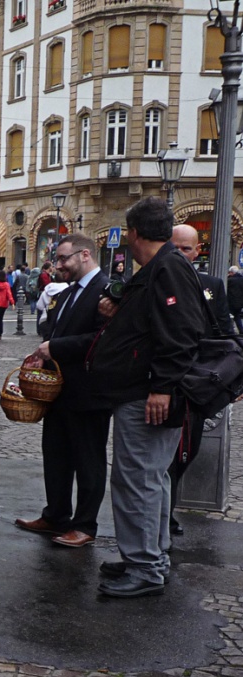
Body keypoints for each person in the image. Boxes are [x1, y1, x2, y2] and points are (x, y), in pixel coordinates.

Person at [88, 196, 206, 598]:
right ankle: (150, 557)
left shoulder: (168, 268)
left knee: (137, 479)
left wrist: (162, 387)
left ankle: (146, 567)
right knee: (149, 479)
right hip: (145, 391)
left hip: (148, 394)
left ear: (134, 233)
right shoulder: (161, 268)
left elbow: (182, 333)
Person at [17, 234, 110, 548]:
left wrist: (54, 346)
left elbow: (101, 340)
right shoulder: (69, 291)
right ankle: (55, 514)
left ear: (85, 255)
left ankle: (85, 525)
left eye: (63, 259)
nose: (58, 266)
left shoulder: (106, 291)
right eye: (57, 260)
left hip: (88, 393)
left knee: (88, 461)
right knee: (55, 455)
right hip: (58, 392)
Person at [166, 224, 235, 537]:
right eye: (175, 247)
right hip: (164, 379)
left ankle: (170, 509)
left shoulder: (212, 285)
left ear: (196, 252)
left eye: (187, 249)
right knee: (162, 453)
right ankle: (161, 516)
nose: (181, 254)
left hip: (197, 380)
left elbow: (223, 333)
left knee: (186, 450)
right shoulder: (160, 280)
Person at [228, 265, 243, 334]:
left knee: (228, 316)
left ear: (232, 273)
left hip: (231, 302)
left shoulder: (230, 280)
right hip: (240, 302)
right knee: (237, 317)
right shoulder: (241, 279)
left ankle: (230, 330)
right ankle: (241, 330)